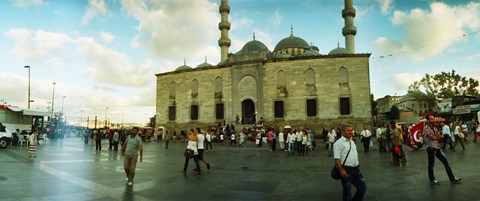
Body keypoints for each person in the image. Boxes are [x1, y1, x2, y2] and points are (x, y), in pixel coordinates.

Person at [424, 116, 462, 185]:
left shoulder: (434, 126)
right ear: (427, 120)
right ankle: (432, 179)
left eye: (433, 118)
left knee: (446, 162)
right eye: (431, 119)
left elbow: (440, 137)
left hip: (437, 147)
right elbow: (433, 138)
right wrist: (437, 135)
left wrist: (437, 135)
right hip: (431, 148)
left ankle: (452, 179)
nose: (433, 120)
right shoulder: (427, 128)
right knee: (431, 165)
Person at [333, 124, 366, 201]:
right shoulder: (338, 143)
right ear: (342, 132)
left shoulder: (352, 141)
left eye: (351, 130)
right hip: (346, 169)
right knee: (347, 191)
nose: (351, 132)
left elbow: (355, 154)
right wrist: (341, 170)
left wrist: (358, 165)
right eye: (348, 130)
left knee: (362, 188)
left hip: (356, 169)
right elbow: (337, 158)